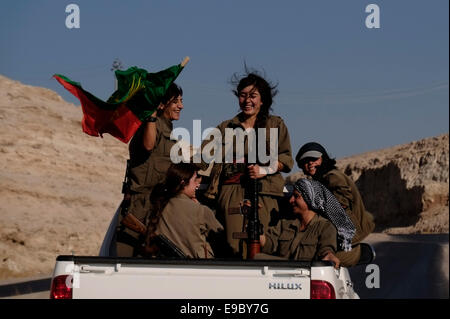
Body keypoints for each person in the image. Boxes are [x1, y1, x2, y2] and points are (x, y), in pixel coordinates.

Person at [202, 70, 294, 257]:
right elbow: (202, 156)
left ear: (262, 100)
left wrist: (265, 169)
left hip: (265, 192)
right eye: (242, 96)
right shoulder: (226, 127)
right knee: (232, 247)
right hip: (231, 191)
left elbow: (286, 159)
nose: (247, 101)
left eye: (253, 96)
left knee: (261, 244)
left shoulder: (275, 124)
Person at [115, 83, 184, 257]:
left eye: (181, 101)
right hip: (139, 206)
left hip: (158, 203)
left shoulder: (168, 131)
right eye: (175, 102)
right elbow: (148, 145)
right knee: (126, 261)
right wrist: (151, 116)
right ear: (161, 104)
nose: (181, 106)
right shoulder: (151, 126)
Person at [295, 142, 375, 266]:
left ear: (323, 159)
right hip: (344, 235)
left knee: (309, 258)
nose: (310, 163)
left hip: (348, 237)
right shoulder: (321, 179)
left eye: (314, 159)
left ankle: (359, 254)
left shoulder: (332, 177)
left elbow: (340, 206)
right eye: (306, 161)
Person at [145, 163, 224, 258]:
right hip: (198, 268)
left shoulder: (158, 206)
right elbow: (221, 239)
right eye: (195, 179)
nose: (198, 183)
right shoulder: (200, 210)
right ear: (183, 183)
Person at [260, 179, 342, 268]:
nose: (291, 200)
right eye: (292, 196)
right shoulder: (284, 224)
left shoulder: (325, 226)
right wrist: (257, 233)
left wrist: (329, 255)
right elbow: (269, 243)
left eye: (296, 196)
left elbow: (326, 249)